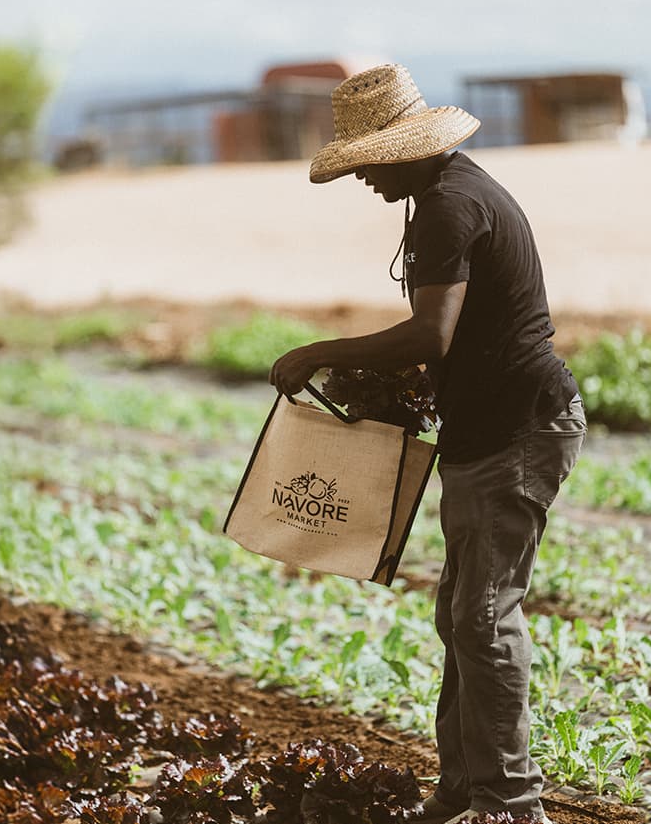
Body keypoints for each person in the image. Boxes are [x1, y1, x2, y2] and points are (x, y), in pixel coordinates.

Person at [268, 63, 583, 824]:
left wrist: (323, 354)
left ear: (404, 148)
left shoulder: (450, 206)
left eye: (368, 164)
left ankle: (512, 803)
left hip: (520, 427)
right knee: (460, 616)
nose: (364, 180)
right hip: (486, 431)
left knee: (482, 616)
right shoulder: (445, 195)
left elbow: (429, 336)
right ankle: (461, 789)